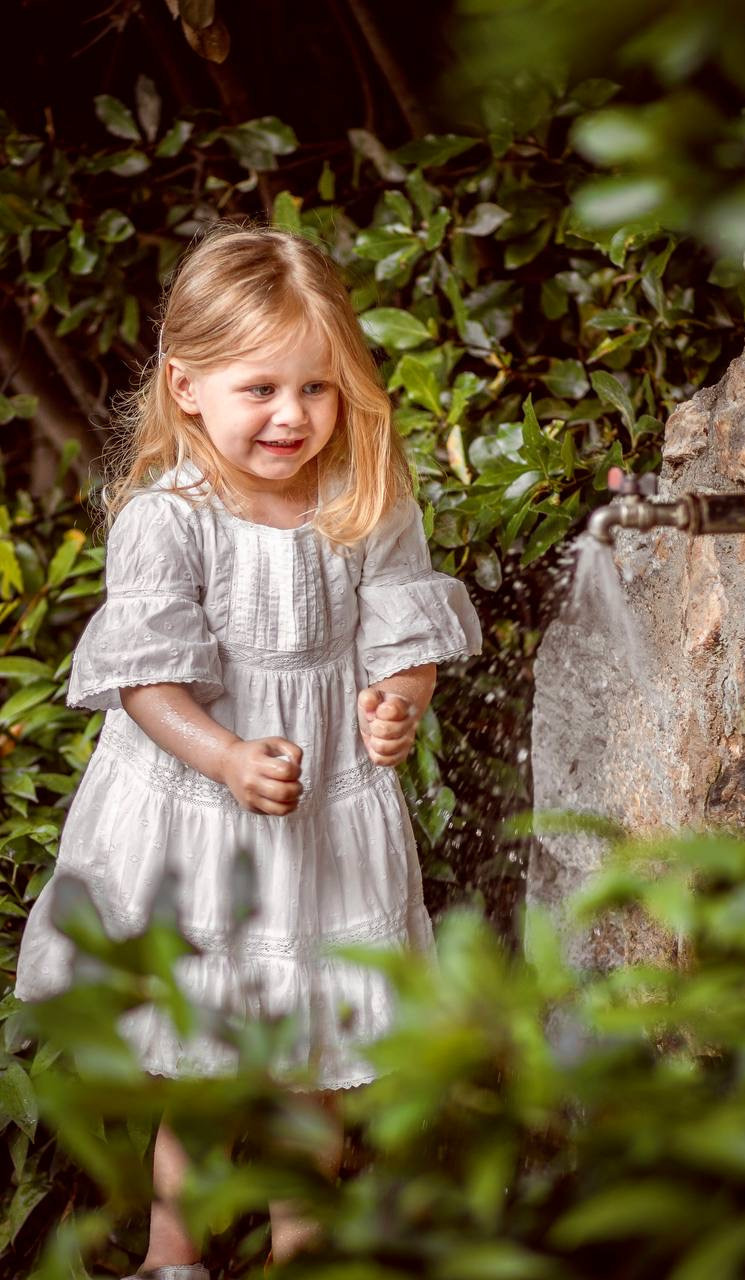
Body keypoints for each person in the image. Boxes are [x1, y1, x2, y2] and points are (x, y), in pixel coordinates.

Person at [14, 224, 482, 1280]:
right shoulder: (168, 519)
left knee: (317, 1061)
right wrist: (223, 755)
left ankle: (301, 1241)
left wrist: (395, 703)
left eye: (317, 389)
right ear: (186, 388)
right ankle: (173, 1248)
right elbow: (145, 679)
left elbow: (405, 636)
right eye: (260, 388)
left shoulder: (363, 500)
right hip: (206, 817)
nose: (291, 416)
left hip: (324, 810)